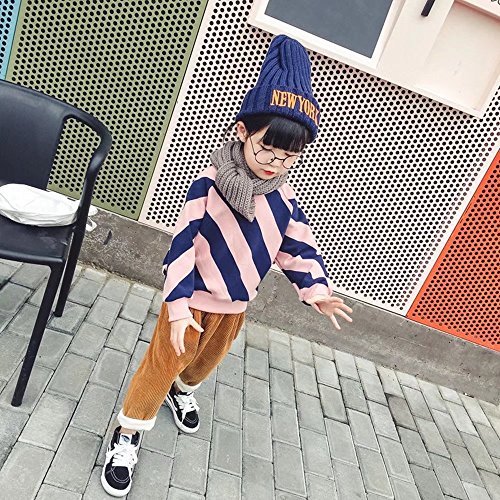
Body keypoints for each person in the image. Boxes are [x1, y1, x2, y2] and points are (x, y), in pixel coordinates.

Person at [100, 34, 353, 497]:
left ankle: (182, 390)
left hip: (235, 308)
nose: (275, 163)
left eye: (289, 156)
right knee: (161, 364)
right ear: (242, 132)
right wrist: (177, 306)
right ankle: (128, 432)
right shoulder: (209, 184)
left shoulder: (284, 199)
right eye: (267, 149)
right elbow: (181, 246)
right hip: (190, 302)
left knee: (203, 364)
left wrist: (315, 290)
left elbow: (297, 247)